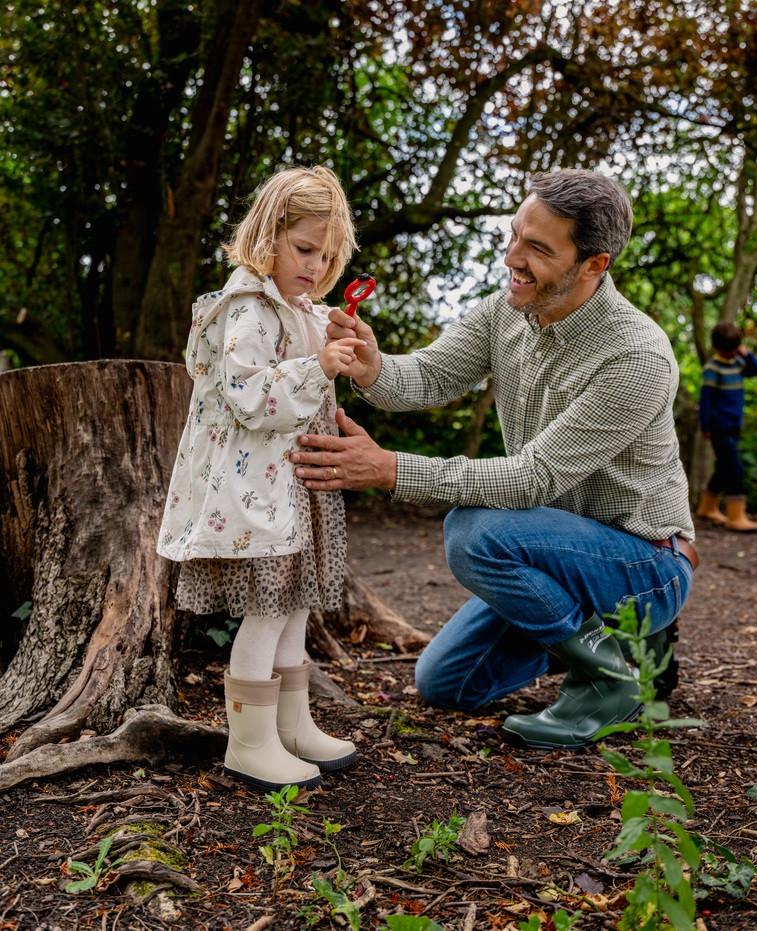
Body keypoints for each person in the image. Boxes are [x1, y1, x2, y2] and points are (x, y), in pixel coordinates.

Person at [290, 168, 699, 750]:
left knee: (475, 531)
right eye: (514, 236)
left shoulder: (635, 356)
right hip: (552, 556)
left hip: (642, 564)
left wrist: (390, 470)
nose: (513, 257)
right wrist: (373, 367)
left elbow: (533, 478)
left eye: (537, 248)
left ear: (594, 265)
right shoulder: (506, 310)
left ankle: (610, 678)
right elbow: (429, 375)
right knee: (446, 683)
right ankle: (625, 650)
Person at [157, 166, 364, 789]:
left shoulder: (297, 308)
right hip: (257, 494)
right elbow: (251, 398)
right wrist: (317, 370)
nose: (315, 266)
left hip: (292, 488)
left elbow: (305, 372)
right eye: (304, 249)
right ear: (268, 235)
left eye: (328, 256)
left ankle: (291, 727)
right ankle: (249, 743)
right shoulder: (248, 309)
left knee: (296, 607)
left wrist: (333, 347)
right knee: (267, 612)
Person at [695, 321, 757, 532]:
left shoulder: (738, 363)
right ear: (717, 348)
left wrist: (745, 354)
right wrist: (706, 426)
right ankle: (736, 516)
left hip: (734, 426)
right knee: (734, 469)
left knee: (724, 468)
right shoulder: (712, 368)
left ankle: (707, 508)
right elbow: (705, 401)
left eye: (734, 350)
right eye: (727, 351)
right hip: (719, 427)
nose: (730, 354)